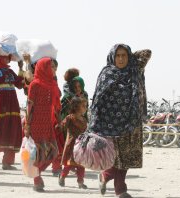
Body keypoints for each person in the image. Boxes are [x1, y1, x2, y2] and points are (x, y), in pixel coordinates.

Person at [89, 44, 151, 198]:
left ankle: (105, 176)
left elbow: (147, 53)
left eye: (124, 55)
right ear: (112, 57)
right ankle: (121, 190)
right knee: (117, 158)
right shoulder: (106, 74)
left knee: (127, 157)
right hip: (111, 125)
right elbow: (98, 100)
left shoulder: (134, 71)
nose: (121, 58)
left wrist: (132, 58)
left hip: (132, 122)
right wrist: (95, 124)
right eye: (118, 55)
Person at [24, 57, 60, 192]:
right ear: (43, 67)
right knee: (37, 153)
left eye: (54, 67)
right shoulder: (35, 84)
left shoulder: (52, 83)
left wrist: (59, 120)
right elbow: (30, 105)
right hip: (36, 122)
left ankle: (37, 172)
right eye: (50, 67)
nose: (53, 69)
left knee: (53, 152)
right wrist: (27, 124)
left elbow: (57, 103)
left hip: (48, 122)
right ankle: (36, 179)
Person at [59, 96, 88, 189]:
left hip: (81, 145)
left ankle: (80, 182)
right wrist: (58, 126)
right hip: (71, 145)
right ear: (76, 107)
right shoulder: (69, 118)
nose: (85, 108)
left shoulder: (84, 120)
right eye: (83, 106)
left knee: (81, 165)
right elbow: (62, 126)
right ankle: (62, 176)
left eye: (86, 106)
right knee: (69, 164)